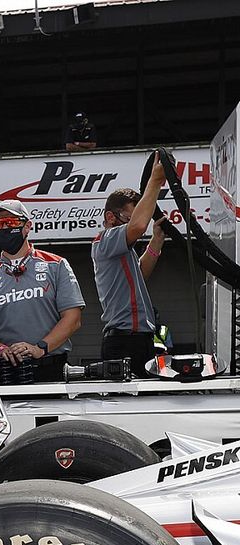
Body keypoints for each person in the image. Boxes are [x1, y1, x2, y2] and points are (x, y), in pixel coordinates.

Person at [0, 200, 85, 382]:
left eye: (10, 222)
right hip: (5, 372)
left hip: (50, 367)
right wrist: (1, 349)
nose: (4, 228)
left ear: (27, 226)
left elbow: (73, 318)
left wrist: (40, 348)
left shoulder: (56, 265)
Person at [92, 153, 167, 377]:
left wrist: (157, 240)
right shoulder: (103, 241)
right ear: (111, 217)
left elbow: (141, 273)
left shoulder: (122, 250)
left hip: (142, 339)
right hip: (122, 341)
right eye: (128, 219)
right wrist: (154, 182)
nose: (132, 225)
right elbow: (138, 227)